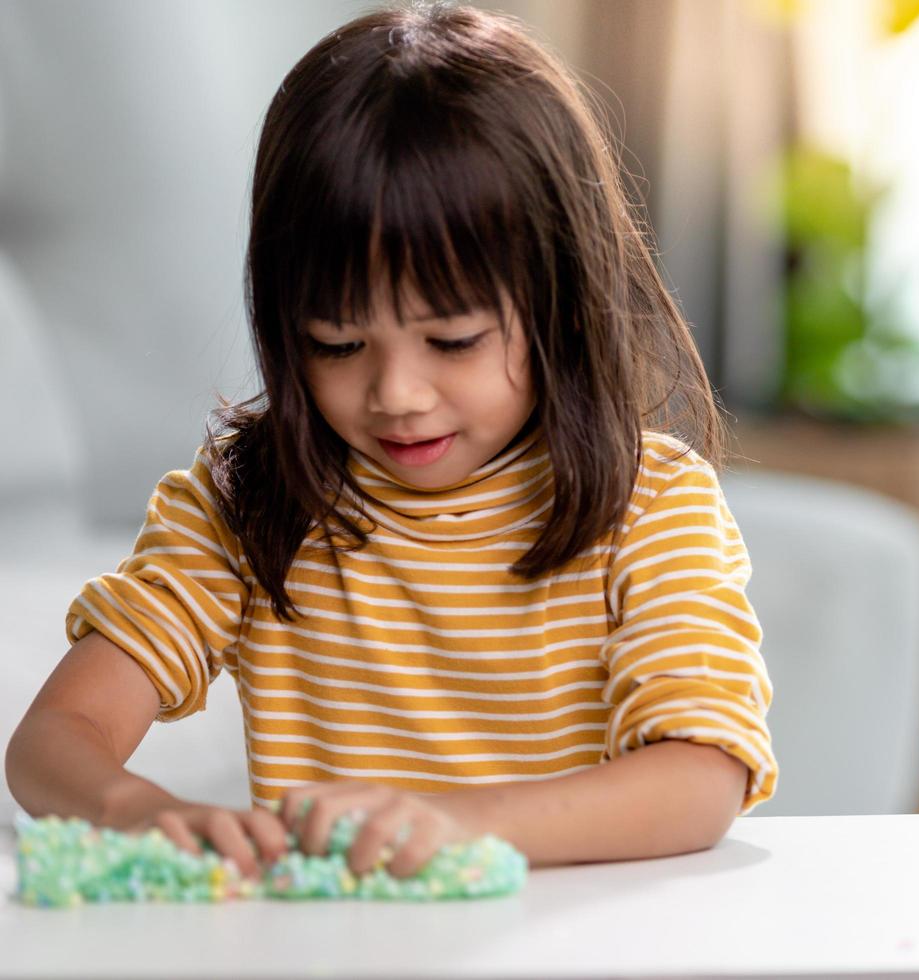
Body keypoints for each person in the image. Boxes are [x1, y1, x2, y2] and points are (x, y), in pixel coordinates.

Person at [4, 1, 775, 881]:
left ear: (560, 304)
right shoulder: (248, 502)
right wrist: (134, 808)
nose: (396, 396)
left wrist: (446, 825)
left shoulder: (651, 506)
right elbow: (52, 740)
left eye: (453, 342)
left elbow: (702, 775)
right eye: (336, 344)